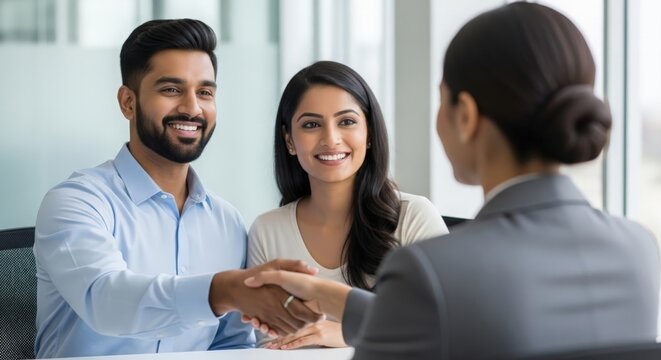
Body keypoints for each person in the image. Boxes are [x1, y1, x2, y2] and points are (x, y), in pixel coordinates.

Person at [243, 3, 660, 359]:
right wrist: (340, 303)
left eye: (441, 100)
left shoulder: (432, 270)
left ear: (466, 116)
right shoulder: (639, 250)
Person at [33, 18, 320, 358]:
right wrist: (219, 291)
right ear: (128, 102)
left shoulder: (226, 221)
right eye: (171, 90)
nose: (192, 108)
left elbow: (231, 345)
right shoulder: (76, 202)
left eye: (205, 92)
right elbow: (105, 300)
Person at [247, 61, 448, 349]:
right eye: (311, 125)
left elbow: (448, 325)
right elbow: (270, 343)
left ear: (368, 134)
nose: (331, 139)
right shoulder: (268, 229)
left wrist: (347, 332)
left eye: (347, 122)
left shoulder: (414, 216)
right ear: (290, 140)